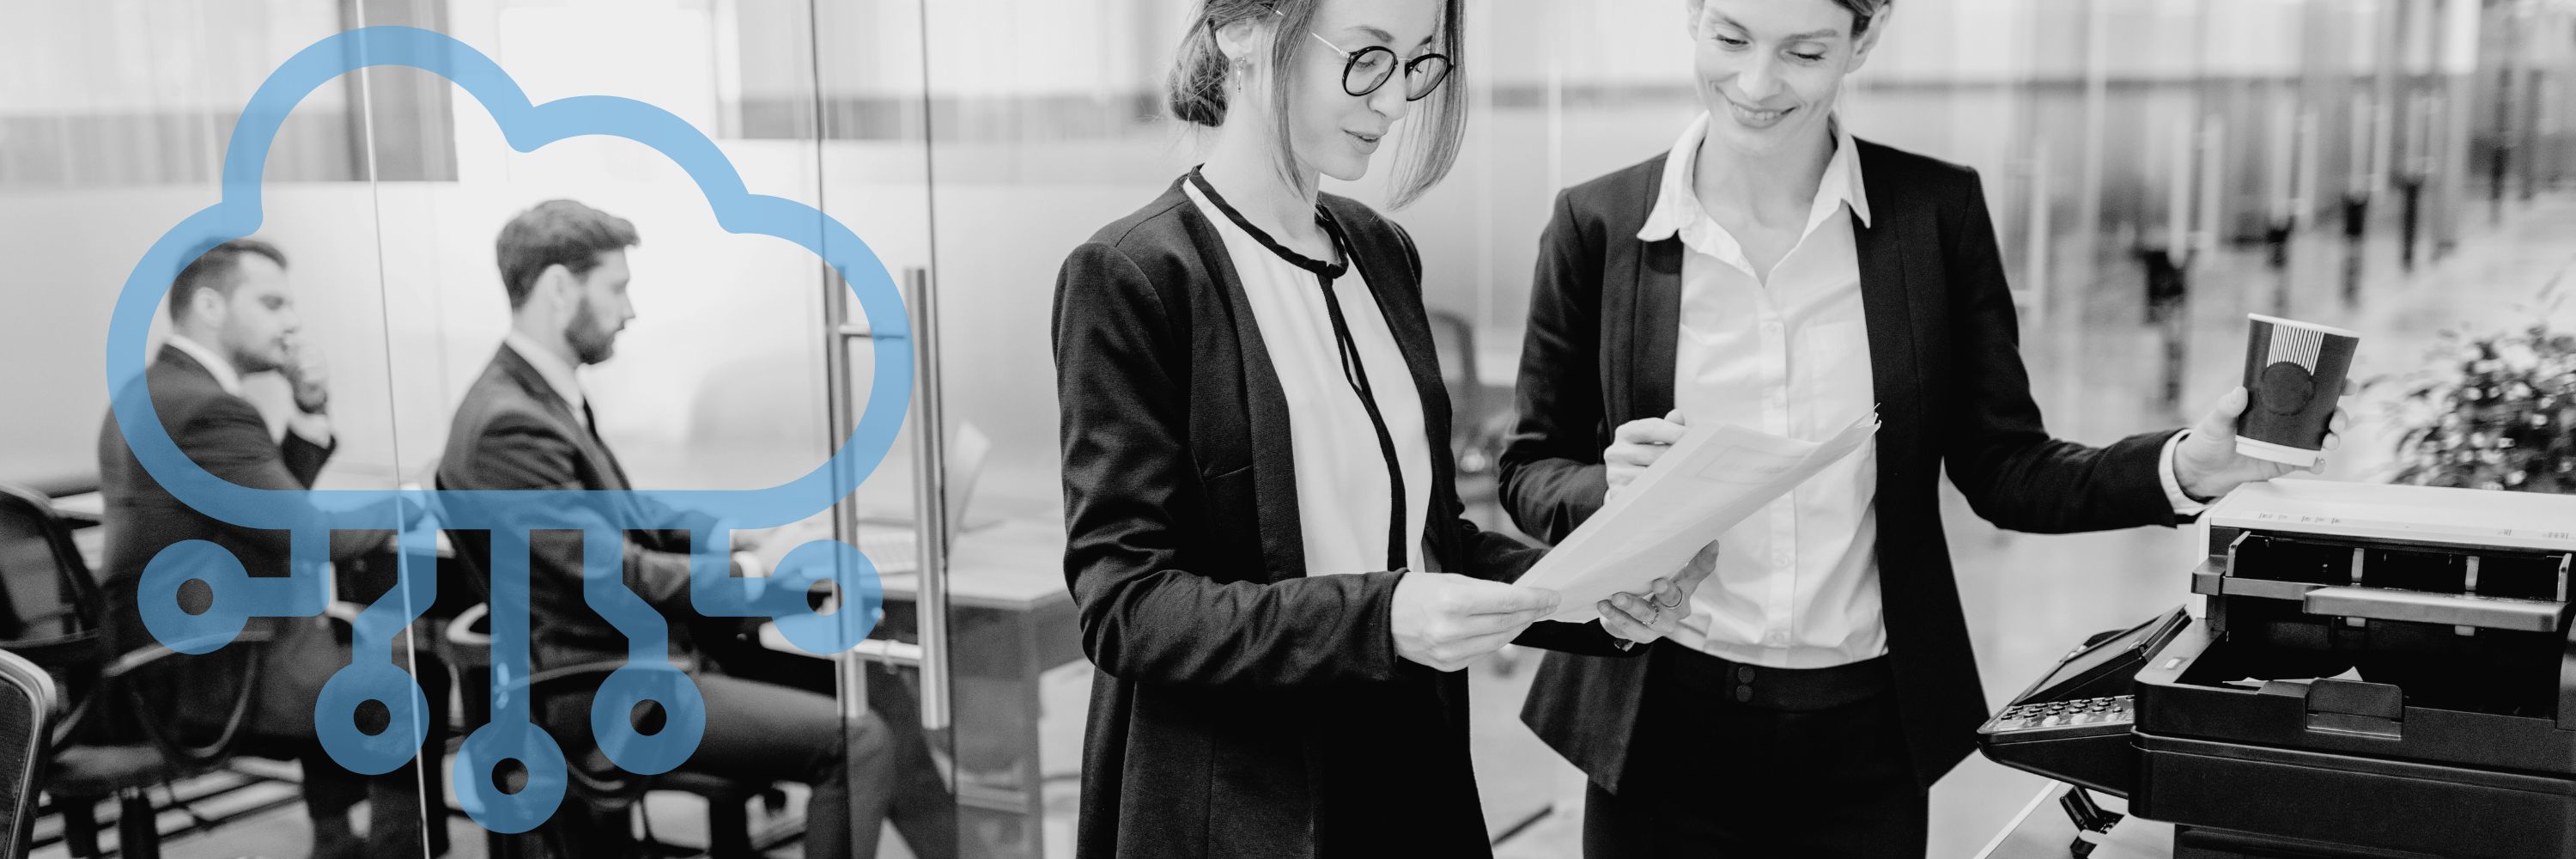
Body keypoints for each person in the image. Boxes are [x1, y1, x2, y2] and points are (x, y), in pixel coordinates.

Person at [1498, 1, 2353, 856]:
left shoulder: (1933, 215)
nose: (1756, 84)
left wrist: (2187, 467)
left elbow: (2007, 466)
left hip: (1864, 733)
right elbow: (1531, 467)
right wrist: (1608, 487)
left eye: (1803, 51)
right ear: (1693, 17)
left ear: (1863, 40)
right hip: (1657, 723)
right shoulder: (1598, 223)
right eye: (1730, 38)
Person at [1051, 1, 1716, 856]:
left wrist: (1596, 599)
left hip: (1412, 774)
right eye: (1366, 57)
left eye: (1418, 64)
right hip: (1242, 804)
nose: (1397, 101)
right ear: (1242, 33)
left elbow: (1431, 543)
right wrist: (1382, 616)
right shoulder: (1135, 274)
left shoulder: (1379, 251)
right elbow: (1126, 604)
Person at [434, 200, 952, 859]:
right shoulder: (508, 424)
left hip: (636, 661)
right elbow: (620, 575)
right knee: (857, 742)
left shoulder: (535, 396)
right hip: (602, 692)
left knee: (872, 689)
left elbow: (634, 516)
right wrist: (762, 574)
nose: (630, 310)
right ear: (560, 289)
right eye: (617, 288)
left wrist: (748, 540)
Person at [95, 238, 444, 858]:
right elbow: (312, 533)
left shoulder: (153, 392)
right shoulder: (206, 409)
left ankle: (336, 844)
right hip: (209, 676)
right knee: (411, 675)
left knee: (349, 649)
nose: (292, 323)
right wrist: (422, 492)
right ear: (209, 305)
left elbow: (269, 511)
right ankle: (389, 850)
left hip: (167, 661)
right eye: (273, 302)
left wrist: (309, 411)